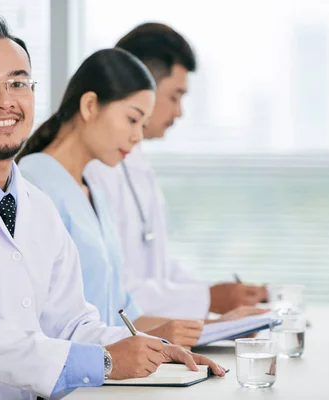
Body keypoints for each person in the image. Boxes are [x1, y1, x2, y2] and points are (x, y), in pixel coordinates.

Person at [0, 12, 224, 400]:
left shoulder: (35, 205)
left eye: (18, 83)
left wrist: (153, 350)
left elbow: (70, 323)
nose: (4, 101)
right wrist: (103, 362)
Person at [16, 48, 266, 350]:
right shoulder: (34, 183)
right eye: (132, 120)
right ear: (90, 105)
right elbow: (38, 322)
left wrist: (219, 326)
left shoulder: (93, 192)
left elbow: (125, 315)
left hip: (110, 372)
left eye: (142, 125)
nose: (137, 137)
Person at [84, 23, 268, 320]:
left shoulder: (136, 163)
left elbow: (157, 266)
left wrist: (217, 297)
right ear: (140, 86)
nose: (180, 112)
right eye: (175, 96)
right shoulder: (95, 169)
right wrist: (208, 299)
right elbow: (113, 290)